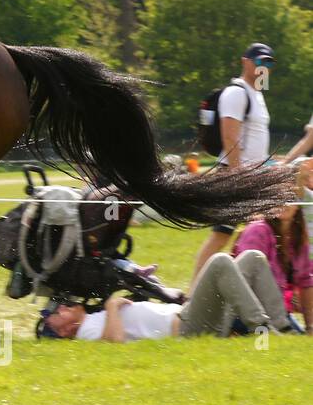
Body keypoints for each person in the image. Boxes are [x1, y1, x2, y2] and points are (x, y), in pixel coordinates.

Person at [39, 251, 291, 341]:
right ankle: (263, 329)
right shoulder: (85, 333)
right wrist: (113, 307)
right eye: (56, 314)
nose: (61, 308)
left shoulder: (92, 317)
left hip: (192, 316)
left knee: (253, 258)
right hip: (188, 328)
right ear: (63, 333)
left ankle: (284, 330)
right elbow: (113, 343)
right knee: (220, 262)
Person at [192, 43, 273, 279]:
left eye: (268, 62)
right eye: (259, 61)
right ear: (245, 62)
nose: (263, 67)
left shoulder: (257, 94)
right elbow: (230, 138)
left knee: (258, 234)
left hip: (253, 177)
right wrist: (238, 180)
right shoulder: (236, 92)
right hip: (234, 176)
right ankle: (192, 296)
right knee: (221, 236)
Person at [232, 201, 312, 333]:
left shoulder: (298, 237)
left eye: (290, 198)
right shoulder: (257, 230)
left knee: (298, 341)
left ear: (298, 204)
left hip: (277, 313)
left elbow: (306, 281)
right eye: (278, 197)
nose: (284, 203)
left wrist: (310, 327)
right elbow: (244, 280)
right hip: (247, 314)